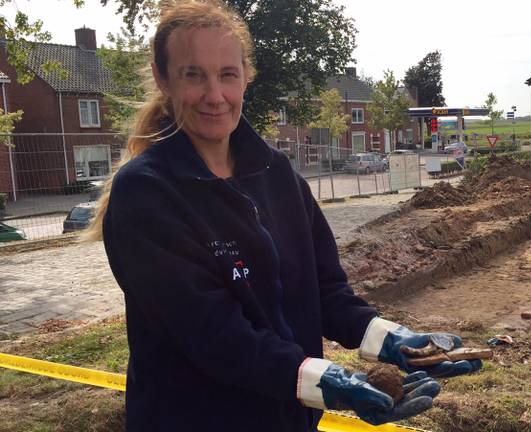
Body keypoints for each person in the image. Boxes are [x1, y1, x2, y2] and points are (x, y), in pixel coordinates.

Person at [85, 1, 481, 430]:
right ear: (164, 79)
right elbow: (213, 335)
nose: (214, 95)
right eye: (193, 74)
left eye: (227, 75)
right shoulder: (146, 193)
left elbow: (325, 289)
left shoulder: (278, 175)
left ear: (246, 77)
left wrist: (394, 342)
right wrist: (327, 381)